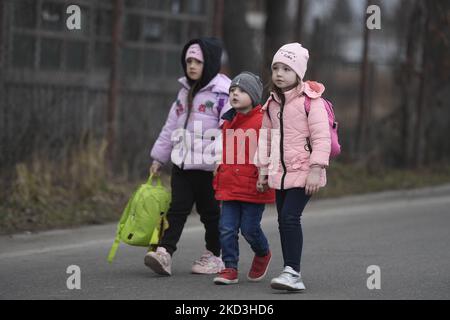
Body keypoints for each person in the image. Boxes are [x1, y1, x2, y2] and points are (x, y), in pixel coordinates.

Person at [145, 37, 231, 276]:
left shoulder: (223, 93)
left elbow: (228, 130)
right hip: (182, 164)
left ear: (210, 63)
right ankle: (164, 252)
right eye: (188, 61)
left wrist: (221, 161)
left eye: (198, 61)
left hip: (208, 168)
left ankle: (215, 254)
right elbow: (170, 127)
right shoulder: (184, 92)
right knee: (177, 210)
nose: (191, 66)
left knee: (211, 214)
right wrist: (158, 158)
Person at [256, 43, 331, 291]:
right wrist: (263, 170)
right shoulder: (272, 104)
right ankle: (290, 270)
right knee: (283, 220)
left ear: (298, 73)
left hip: (305, 171)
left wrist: (316, 168)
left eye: (286, 69)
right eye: (276, 68)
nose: (279, 73)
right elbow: (265, 139)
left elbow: (322, 138)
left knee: (289, 217)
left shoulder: (312, 102)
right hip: (280, 172)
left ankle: (293, 272)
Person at [212, 72, 275, 285]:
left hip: (253, 185)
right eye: (232, 90)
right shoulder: (228, 121)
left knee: (249, 229)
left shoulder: (262, 121)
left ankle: (263, 253)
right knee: (227, 228)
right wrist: (218, 166)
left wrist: (264, 176)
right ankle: (230, 267)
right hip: (230, 185)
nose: (234, 93)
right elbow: (224, 150)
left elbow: (268, 152)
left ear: (254, 96)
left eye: (241, 90)